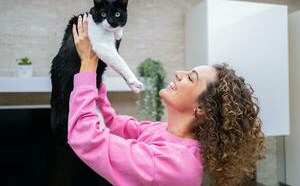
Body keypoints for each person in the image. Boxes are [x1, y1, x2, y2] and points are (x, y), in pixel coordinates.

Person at [68, 14, 266, 186]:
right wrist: (96, 68)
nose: (179, 74)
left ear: (202, 108)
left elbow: (85, 139)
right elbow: (111, 123)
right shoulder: (162, 131)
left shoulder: (174, 164)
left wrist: (87, 64)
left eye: (190, 77)